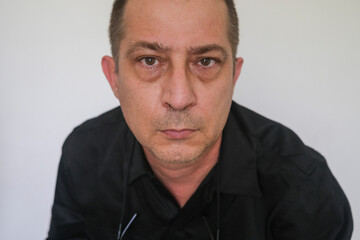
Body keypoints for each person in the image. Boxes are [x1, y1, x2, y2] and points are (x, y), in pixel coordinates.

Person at [47, 0, 353, 239]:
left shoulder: (303, 189)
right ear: (114, 77)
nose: (179, 98)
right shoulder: (84, 156)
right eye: (149, 60)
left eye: (205, 61)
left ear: (234, 75)